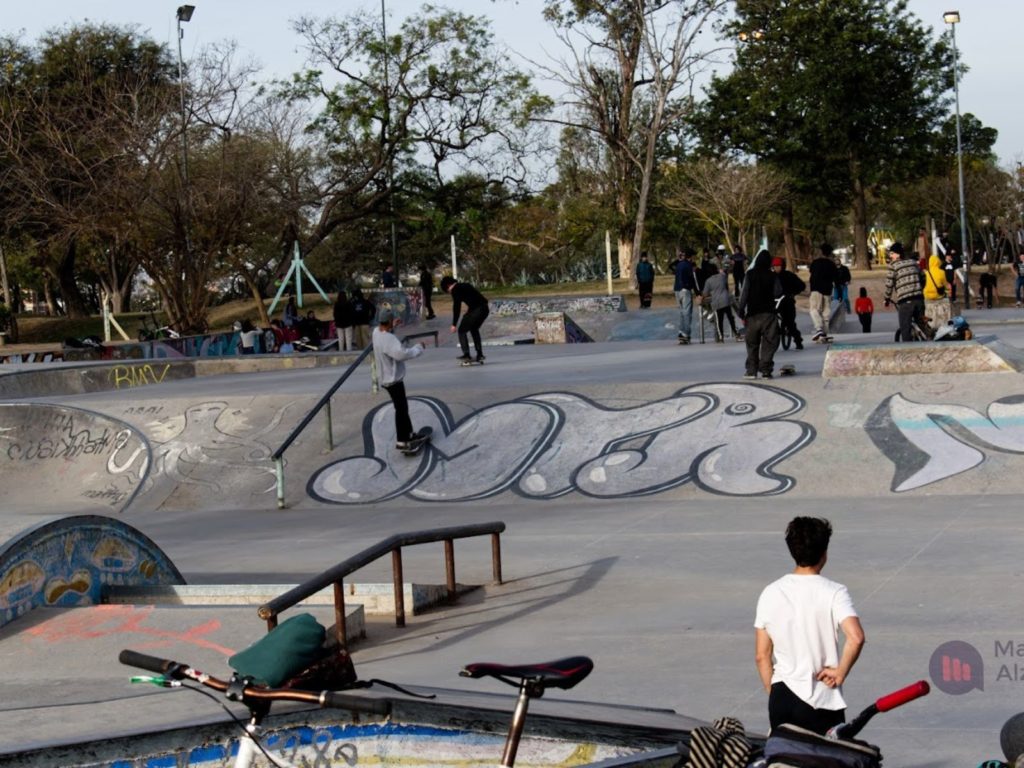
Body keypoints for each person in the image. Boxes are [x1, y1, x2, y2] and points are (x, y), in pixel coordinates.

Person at [755, 517, 865, 735]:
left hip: (782, 699)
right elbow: (856, 637)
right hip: (820, 700)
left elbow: (762, 655)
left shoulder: (770, 592)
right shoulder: (834, 592)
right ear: (824, 552)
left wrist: (775, 691)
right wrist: (841, 672)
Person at [372, 309, 425, 451]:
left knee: (402, 407)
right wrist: (418, 348)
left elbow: (384, 334)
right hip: (393, 380)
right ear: (388, 321)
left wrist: (392, 325)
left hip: (384, 379)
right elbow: (402, 354)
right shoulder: (389, 339)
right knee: (401, 409)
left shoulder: (376, 333)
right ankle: (403, 440)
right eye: (392, 321)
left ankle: (408, 434)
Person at [737, 249, 780, 378]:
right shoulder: (773, 276)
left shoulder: (750, 274)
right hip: (768, 314)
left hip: (753, 314)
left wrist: (741, 310)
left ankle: (751, 370)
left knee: (752, 344)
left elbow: (744, 293)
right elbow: (778, 292)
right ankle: (766, 370)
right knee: (769, 342)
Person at [440, 275, 490, 362]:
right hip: (485, 309)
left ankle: (466, 354)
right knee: (474, 329)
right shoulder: (466, 285)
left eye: (447, 291)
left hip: (476, 310)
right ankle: (480, 354)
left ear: (448, 286)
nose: (449, 292)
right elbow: (476, 298)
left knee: (462, 331)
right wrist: (470, 310)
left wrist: (454, 324)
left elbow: (456, 307)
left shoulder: (455, 289)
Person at [883, 241, 925, 343]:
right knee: (921, 325)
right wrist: (919, 289)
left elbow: (889, 285)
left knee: (905, 328)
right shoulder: (913, 262)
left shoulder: (893, 266)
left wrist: (886, 299)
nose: (890, 255)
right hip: (919, 298)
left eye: (892, 253)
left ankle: (908, 351)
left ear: (897, 254)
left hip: (905, 302)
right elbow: (923, 277)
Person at [772, 256, 805, 350]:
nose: (777, 268)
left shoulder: (789, 275)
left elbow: (801, 285)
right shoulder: (771, 276)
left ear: (783, 266)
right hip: (774, 302)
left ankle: (798, 341)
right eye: (775, 266)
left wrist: (792, 293)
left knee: (790, 323)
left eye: (778, 266)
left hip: (787, 302)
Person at [701, 263, 740, 342]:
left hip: (716, 302)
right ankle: (736, 333)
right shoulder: (722, 277)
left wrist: (702, 298)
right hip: (726, 300)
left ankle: (721, 337)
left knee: (719, 321)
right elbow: (725, 275)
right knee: (730, 318)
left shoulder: (708, 281)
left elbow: (705, 293)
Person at [808, 244, 838, 343]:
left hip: (816, 289)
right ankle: (823, 335)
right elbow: (836, 278)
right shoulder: (832, 264)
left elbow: (811, 271)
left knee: (814, 310)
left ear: (821, 252)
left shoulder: (815, 263)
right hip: (827, 291)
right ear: (829, 253)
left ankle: (819, 329)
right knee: (826, 313)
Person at [673, 248, 697, 344]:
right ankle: (685, 334)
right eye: (693, 256)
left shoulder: (679, 264)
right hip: (685, 290)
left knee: (682, 313)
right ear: (690, 257)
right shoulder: (688, 265)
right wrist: (697, 292)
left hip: (677, 291)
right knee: (687, 313)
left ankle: (681, 332)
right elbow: (692, 280)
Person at [922, 251, 950, 329]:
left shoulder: (926, 273)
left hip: (928, 297)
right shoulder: (942, 272)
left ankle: (929, 327)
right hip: (939, 296)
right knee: (942, 313)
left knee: (929, 313)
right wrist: (948, 292)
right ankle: (941, 326)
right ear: (938, 262)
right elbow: (945, 285)